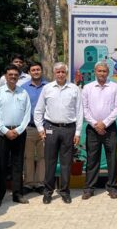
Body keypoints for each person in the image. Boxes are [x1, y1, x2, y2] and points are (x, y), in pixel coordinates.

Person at [35, 62, 83, 204]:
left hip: (69, 129)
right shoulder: (47, 88)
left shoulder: (74, 89)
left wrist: (78, 132)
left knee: (66, 163)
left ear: (66, 73)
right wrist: (40, 129)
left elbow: (79, 111)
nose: (60, 74)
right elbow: (38, 110)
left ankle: (65, 191)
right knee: (49, 162)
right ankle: (48, 192)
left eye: (63, 72)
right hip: (51, 128)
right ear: (54, 73)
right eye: (58, 72)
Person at [0, 64, 31, 207]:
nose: (13, 77)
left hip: (19, 132)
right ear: (5, 76)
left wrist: (18, 130)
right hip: (3, 133)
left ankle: (17, 194)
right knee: (1, 165)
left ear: (19, 77)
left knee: (18, 164)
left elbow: (27, 114)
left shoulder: (23, 93)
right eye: (10, 75)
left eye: (15, 75)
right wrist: (5, 130)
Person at [81, 62, 117, 199]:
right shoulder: (87, 88)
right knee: (92, 159)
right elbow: (84, 108)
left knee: (112, 159)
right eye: (99, 71)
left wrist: (104, 124)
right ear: (95, 72)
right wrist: (95, 124)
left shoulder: (115, 87)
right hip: (92, 129)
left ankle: (112, 187)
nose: (102, 73)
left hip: (110, 128)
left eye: (104, 71)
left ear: (108, 72)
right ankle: (89, 188)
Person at [21, 62, 48, 194]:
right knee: (29, 157)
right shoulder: (23, 88)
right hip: (29, 127)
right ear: (29, 72)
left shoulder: (48, 86)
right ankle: (28, 184)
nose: (36, 72)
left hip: (45, 127)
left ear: (41, 71)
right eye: (33, 70)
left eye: (38, 69)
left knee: (42, 157)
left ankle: (40, 183)